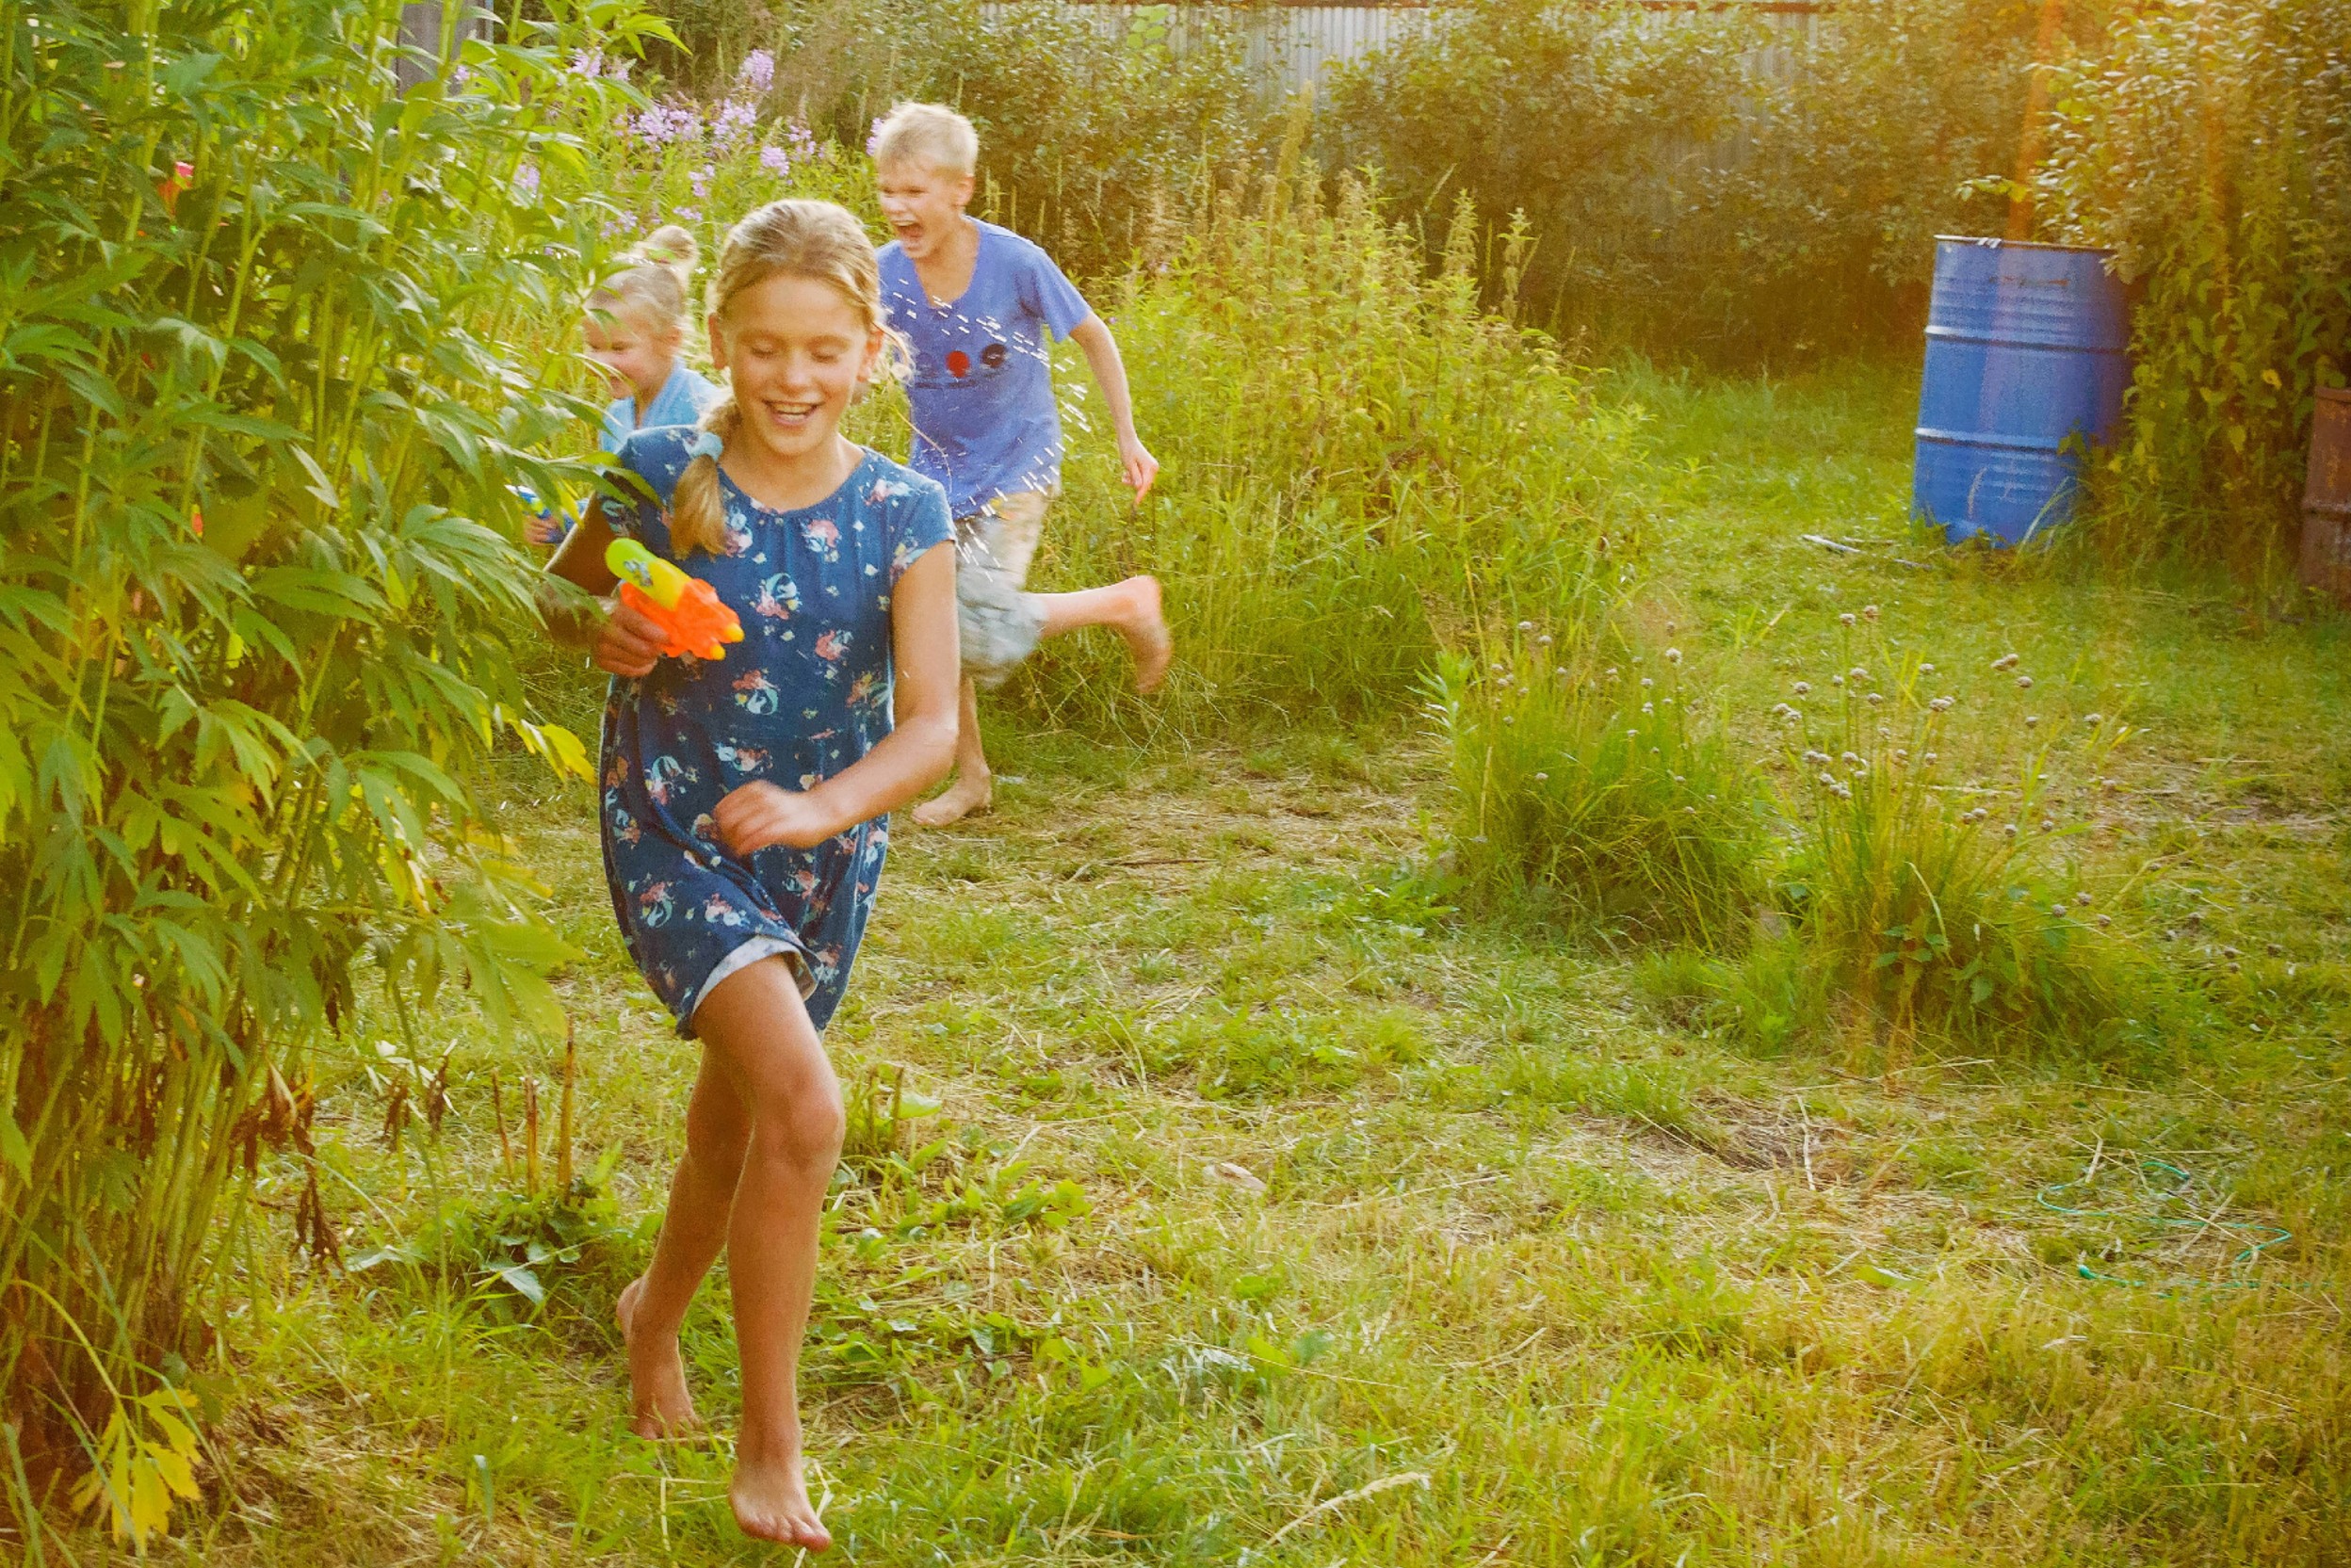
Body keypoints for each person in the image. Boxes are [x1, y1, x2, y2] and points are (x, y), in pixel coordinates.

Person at [540, 199, 959, 1550]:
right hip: (674, 828)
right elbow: (560, 592)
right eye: (767, 347)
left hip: (822, 854)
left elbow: (933, 728)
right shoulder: (662, 466)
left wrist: (822, 808)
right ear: (720, 339)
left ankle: (651, 1317)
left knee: (737, 1124)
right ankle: (771, 1449)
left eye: (824, 350)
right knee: (806, 1109)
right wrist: (602, 630)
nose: (793, 377)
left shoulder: (906, 510)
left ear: (869, 352)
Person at [869, 103, 1173, 827]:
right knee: (934, 622)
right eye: (886, 190)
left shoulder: (1016, 262)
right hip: (934, 475)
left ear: (961, 190)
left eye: (914, 191)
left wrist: (1128, 436)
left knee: (971, 628)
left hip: (1017, 468)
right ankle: (971, 777)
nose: (897, 207)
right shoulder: (883, 274)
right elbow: (853, 350)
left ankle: (1125, 602)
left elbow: (1095, 337)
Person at [529, 224, 724, 545]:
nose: (600, 362)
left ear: (671, 340)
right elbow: (617, 505)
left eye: (619, 348)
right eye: (593, 347)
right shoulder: (615, 417)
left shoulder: (704, 409)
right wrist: (561, 521)